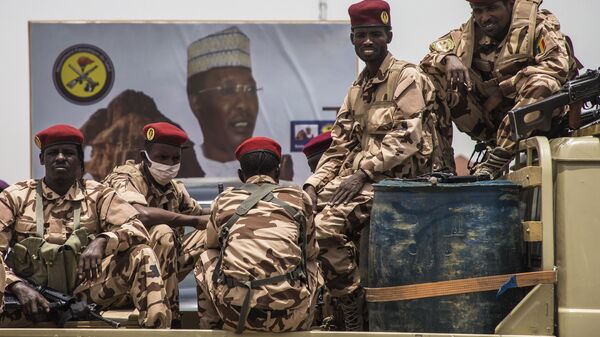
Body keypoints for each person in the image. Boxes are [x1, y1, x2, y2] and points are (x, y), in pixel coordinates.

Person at [303, 0, 454, 331]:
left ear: (388, 35)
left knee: (327, 227)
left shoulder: (407, 76)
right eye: (360, 35)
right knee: (302, 218)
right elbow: (339, 145)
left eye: (374, 34)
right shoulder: (357, 90)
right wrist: (313, 186)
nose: (367, 42)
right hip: (368, 183)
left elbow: (409, 137)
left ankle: (353, 305)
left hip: (405, 185)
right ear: (352, 39)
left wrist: (361, 173)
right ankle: (327, 307)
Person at [0, 124, 170, 328]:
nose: (61, 157)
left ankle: (157, 329)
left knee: (142, 254)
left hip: (86, 294)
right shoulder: (15, 196)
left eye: (68, 153)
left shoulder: (98, 194)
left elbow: (137, 228)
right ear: (42, 159)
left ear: (80, 160)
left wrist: (103, 241)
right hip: (31, 298)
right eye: (53, 152)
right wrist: (16, 285)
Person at [420, 0, 580, 178]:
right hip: (489, 122)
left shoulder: (538, 26)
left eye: (491, 8)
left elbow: (557, 66)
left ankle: (495, 161)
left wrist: (503, 90)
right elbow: (428, 60)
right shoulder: (470, 34)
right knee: (432, 78)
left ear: (510, 4)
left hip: (540, 119)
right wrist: (448, 58)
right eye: (478, 11)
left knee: (544, 83)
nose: (484, 17)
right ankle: (442, 168)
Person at [194, 137, 321, 332]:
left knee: (205, 257)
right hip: (290, 317)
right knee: (313, 264)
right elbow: (310, 252)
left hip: (237, 317)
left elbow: (211, 244)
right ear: (278, 173)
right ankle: (306, 327)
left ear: (240, 175)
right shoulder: (299, 197)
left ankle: (210, 328)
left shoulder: (224, 200)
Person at [103, 122, 209, 327]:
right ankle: (168, 321)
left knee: (212, 232)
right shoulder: (124, 177)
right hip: (126, 273)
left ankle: (214, 315)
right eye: (162, 157)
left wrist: (231, 208)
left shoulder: (174, 188)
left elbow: (199, 212)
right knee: (162, 232)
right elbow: (139, 213)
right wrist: (194, 221)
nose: (169, 164)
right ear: (145, 156)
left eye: (175, 158)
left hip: (163, 271)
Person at [186, 26, 294, 179]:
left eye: (250, 90)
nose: (243, 105)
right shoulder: (183, 167)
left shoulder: (272, 169)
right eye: (228, 91)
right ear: (197, 103)